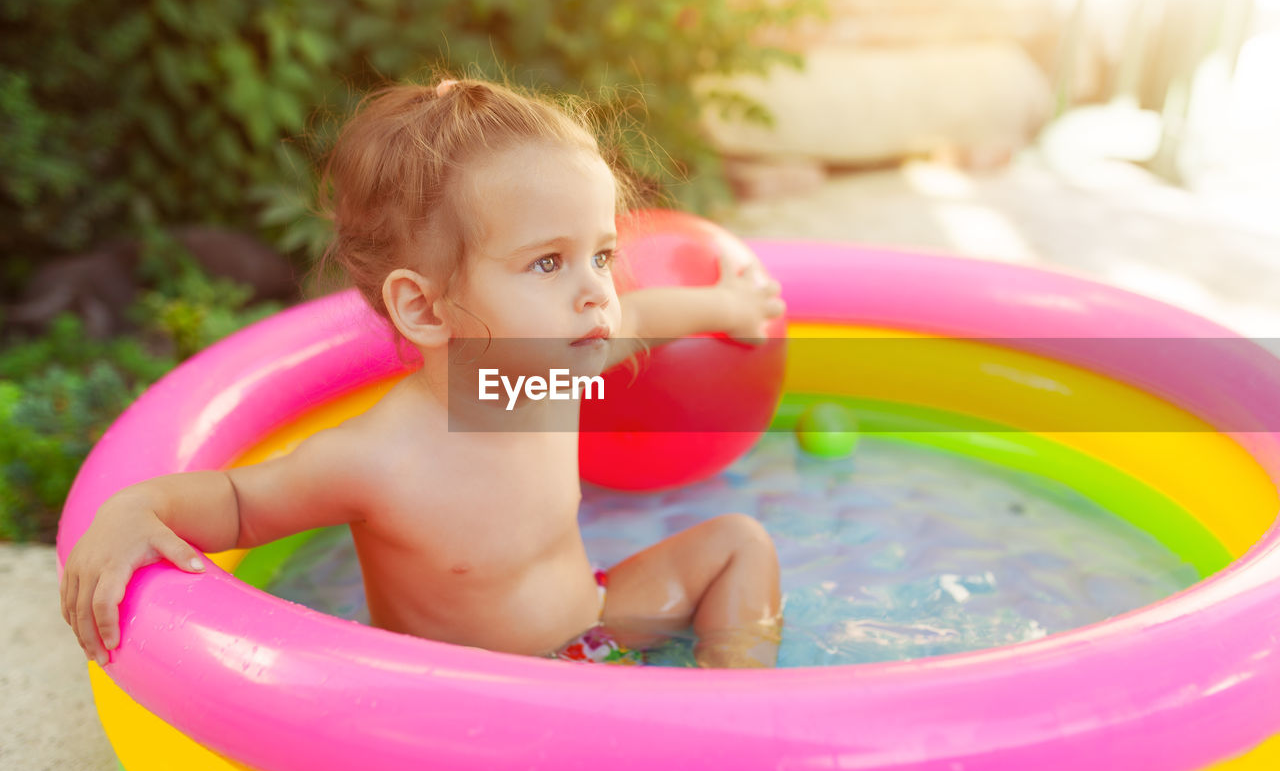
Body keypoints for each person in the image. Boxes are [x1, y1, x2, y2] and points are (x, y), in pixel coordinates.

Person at [60, 76, 786, 669]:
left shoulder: (544, 376)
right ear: (425, 307)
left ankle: (732, 707)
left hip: (594, 626)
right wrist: (134, 511)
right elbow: (238, 501)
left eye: (600, 253)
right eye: (547, 261)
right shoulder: (378, 459)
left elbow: (640, 316)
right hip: (477, 711)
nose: (598, 288)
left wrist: (729, 303)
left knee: (738, 543)